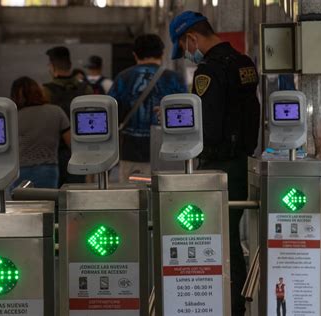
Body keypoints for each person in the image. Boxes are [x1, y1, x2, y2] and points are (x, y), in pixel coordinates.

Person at [169, 11, 260, 316]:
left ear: (192, 38)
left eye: (184, 46)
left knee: (219, 237)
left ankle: (229, 304)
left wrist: (181, 122)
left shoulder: (208, 70)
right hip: (242, 161)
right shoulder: (244, 62)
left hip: (219, 164)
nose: (187, 53)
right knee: (231, 233)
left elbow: (205, 125)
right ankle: (237, 302)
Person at [108, 34, 186, 182]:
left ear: (135, 54)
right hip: (169, 151)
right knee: (166, 197)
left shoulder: (123, 78)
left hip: (132, 151)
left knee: (133, 198)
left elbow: (110, 114)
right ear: (162, 54)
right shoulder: (175, 79)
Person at [43, 46, 93, 186]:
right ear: (70, 65)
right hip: (80, 149)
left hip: (54, 152)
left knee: (55, 195)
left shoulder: (46, 91)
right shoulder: (86, 89)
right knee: (76, 194)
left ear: (52, 67)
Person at [10, 76, 71, 190]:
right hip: (48, 170)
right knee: (47, 205)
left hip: (19, 171)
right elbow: (71, 143)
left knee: (19, 207)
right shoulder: (56, 111)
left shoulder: (13, 117)